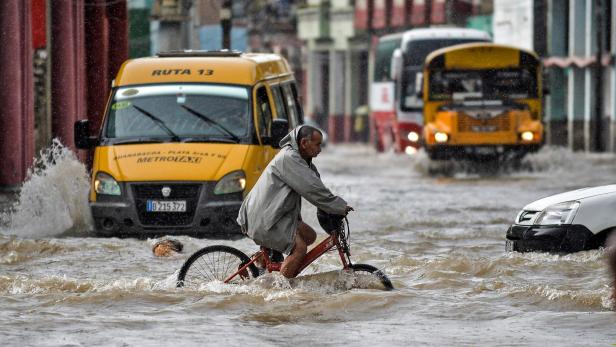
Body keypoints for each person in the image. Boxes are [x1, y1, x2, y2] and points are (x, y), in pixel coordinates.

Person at [237, 125, 352, 278]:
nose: (320, 149)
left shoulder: (303, 162)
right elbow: (312, 189)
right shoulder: (290, 158)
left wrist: (333, 205)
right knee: (300, 248)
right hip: (265, 218)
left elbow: (318, 187)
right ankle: (281, 290)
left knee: (310, 235)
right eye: (317, 144)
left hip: (274, 215)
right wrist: (339, 206)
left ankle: (259, 262)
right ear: (304, 143)